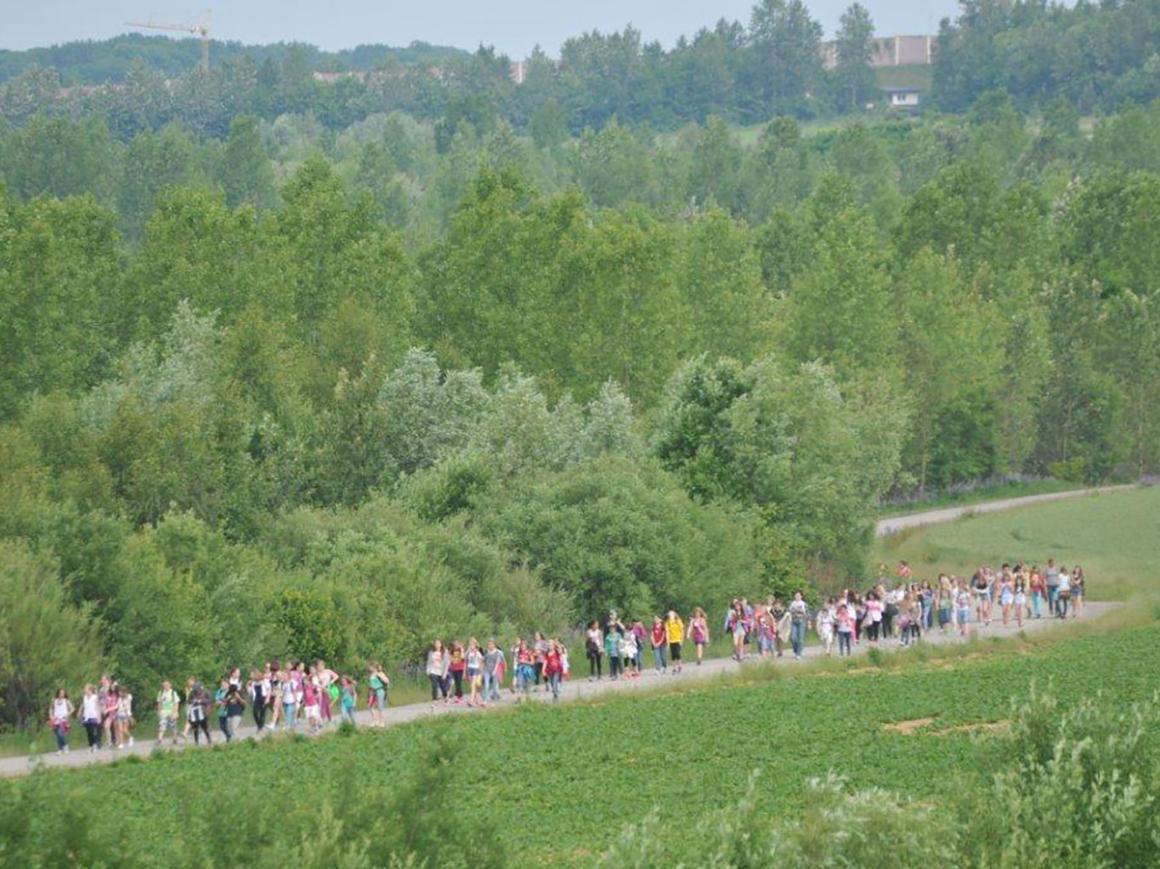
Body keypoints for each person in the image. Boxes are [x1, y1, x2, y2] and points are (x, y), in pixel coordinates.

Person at [156, 680, 181, 747]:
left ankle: (175, 739)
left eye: (167, 685)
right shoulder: (161, 693)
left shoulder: (173, 693)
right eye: (164, 685)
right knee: (162, 725)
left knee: (173, 727)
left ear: (170, 685)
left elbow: (176, 703)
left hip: (172, 712)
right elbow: (159, 703)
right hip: (163, 712)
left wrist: (175, 712)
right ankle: (159, 740)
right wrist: (159, 711)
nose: (165, 686)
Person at [187, 679, 212, 745]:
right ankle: (196, 742)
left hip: (203, 712)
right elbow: (188, 701)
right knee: (195, 727)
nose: (196, 690)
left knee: (204, 726)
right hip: (194, 712)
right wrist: (193, 701)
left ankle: (209, 739)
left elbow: (210, 701)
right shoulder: (192, 693)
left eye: (197, 688)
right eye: (195, 688)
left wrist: (201, 701)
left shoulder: (206, 691)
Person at [49, 688, 73, 755]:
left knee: (60, 733)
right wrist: (51, 716)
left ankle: (65, 745)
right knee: (57, 735)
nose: (62, 694)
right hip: (56, 720)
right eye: (61, 693)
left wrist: (67, 714)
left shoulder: (66, 701)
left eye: (63, 693)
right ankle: (60, 749)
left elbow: (72, 708)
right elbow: (51, 709)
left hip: (63, 720)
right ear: (58, 693)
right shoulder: (54, 700)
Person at [79, 684, 102, 752]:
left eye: (85, 689)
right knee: (88, 732)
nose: (84, 690)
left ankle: (94, 745)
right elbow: (83, 705)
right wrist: (80, 712)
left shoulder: (95, 697)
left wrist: (98, 717)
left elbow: (98, 707)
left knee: (92, 731)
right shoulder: (84, 697)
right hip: (87, 716)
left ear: (90, 690)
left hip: (93, 716)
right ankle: (90, 745)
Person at [426, 639, 448, 706]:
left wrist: (445, 673)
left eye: (438, 643)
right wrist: (428, 670)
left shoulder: (444, 652)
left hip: (440, 671)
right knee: (434, 685)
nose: (437, 645)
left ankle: (445, 696)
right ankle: (434, 699)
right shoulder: (431, 652)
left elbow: (446, 663)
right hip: (433, 670)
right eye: (436, 643)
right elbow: (429, 662)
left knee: (442, 686)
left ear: (441, 644)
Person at [788, 591, 809, 660]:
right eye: (796, 595)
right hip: (794, 622)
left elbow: (807, 614)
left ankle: (799, 653)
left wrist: (808, 622)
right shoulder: (792, 604)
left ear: (801, 596)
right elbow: (788, 612)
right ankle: (796, 650)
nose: (797, 597)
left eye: (798, 596)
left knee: (800, 638)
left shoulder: (804, 604)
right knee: (793, 637)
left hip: (801, 622)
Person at [665, 610, 685, 674]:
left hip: (678, 639)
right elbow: (667, 632)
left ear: (674, 614)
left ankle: (679, 666)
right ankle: (674, 668)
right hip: (671, 640)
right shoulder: (667, 622)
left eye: (671, 614)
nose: (670, 615)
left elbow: (682, 630)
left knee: (677, 653)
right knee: (673, 655)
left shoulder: (678, 621)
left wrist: (681, 640)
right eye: (669, 614)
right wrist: (667, 643)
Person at [466, 638, 484, 707]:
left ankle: (471, 700)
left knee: (473, 686)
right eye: (470, 644)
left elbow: (481, 662)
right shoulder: (469, 652)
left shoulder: (478, 653)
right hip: (470, 669)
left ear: (475, 645)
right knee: (473, 686)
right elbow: (465, 659)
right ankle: (478, 700)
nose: (471, 646)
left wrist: (481, 672)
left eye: (472, 645)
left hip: (476, 670)